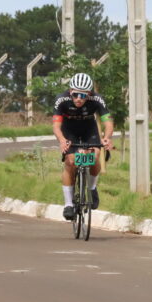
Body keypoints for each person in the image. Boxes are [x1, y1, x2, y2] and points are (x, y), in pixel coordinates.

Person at [52, 72, 113, 220]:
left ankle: (92, 188)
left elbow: (108, 122)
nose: (79, 99)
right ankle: (68, 204)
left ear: (89, 94)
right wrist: (62, 140)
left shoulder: (97, 99)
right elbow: (56, 126)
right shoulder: (61, 100)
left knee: (94, 157)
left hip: (89, 129)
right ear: (70, 91)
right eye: (75, 95)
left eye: (83, 95)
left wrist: (106, 138)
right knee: (71, 161)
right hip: (69, 130)